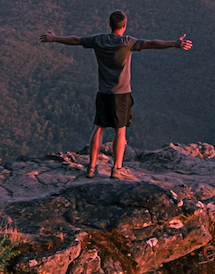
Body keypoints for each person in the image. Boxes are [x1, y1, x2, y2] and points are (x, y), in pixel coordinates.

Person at [39, 11, 189, 177]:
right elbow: (152, 43)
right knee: (120, 131)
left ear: (109, 25)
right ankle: (117, 168)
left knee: (99, 129)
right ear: (124, 26)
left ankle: (91, 166)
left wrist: (55, 38)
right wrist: (175, 43)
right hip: (122, 94)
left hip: (103, 93)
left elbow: (76, 40)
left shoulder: (99, 40)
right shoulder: (127, 42)